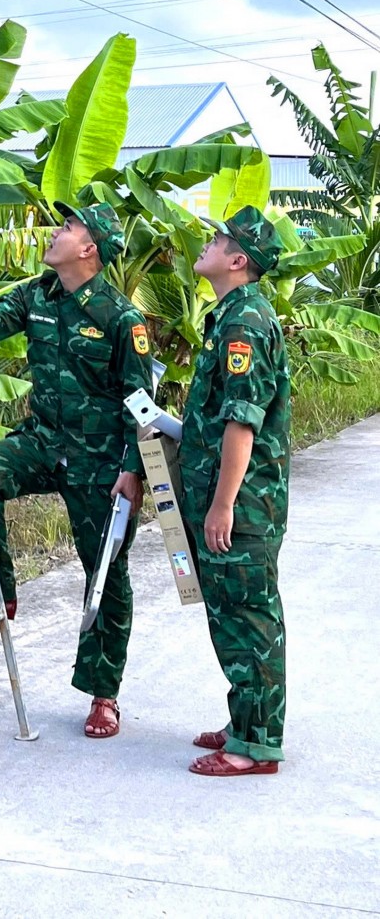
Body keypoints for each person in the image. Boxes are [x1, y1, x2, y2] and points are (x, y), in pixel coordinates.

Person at [0, 203, 153, 740]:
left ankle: (103, 694)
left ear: (89, 249)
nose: (55, 231)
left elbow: (142, 403)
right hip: (45, 443)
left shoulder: (120, 319)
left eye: (68, 228)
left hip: (100, 465)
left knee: (105, 574)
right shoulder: (37, 294)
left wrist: (132, 471)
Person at [183, 205, 290, 777]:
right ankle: (245, 720)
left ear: (238, 260)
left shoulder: (244, 325)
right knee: (232, 614)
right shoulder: (231, 315)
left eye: (218, 239)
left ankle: (255, 746)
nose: (208, 243)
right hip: (231, 500)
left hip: (245, 505)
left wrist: (223, 504)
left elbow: (241, 425)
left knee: (249, 618)